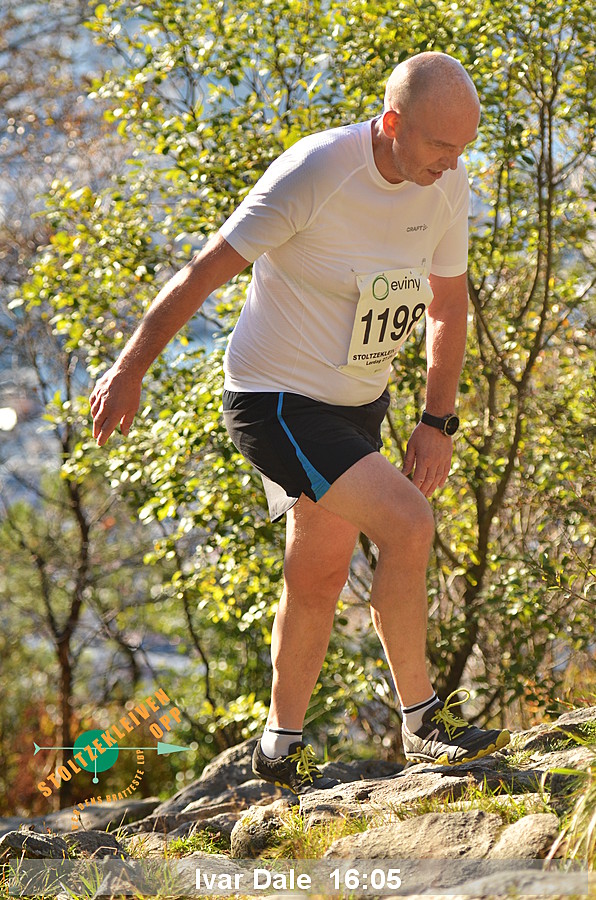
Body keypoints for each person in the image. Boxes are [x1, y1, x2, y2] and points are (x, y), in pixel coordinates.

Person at [90, 51, 510, 795]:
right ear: (392, 124)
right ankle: (424, 727)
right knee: (409, 522)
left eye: (463, 147)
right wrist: (130, 368)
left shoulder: (443, 180)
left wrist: (436, 421)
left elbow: (448, 305)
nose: (454, 163)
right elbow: (203, 272)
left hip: (359, 403)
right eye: (442, 145)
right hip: (275, 398)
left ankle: (277, 749)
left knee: (317, 571)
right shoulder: (315, 172)